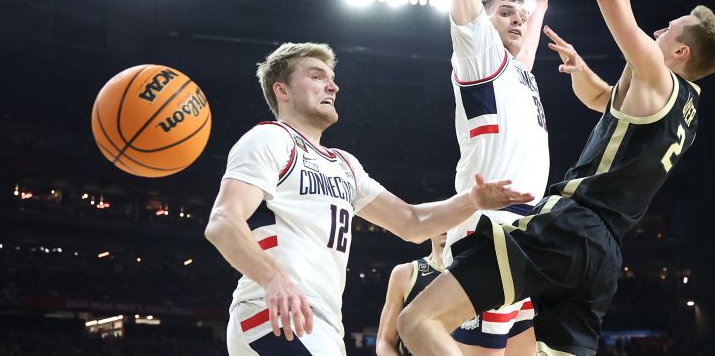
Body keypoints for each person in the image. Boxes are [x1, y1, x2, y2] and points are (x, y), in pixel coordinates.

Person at [398, 0, 715, 356]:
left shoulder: (656, 73)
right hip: (604, 256)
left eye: (668, 31)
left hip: (569, 226)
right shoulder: (685, 109)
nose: (656, 31)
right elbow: (602, 100)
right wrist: (581, 67)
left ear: (681, 54)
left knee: (418, 320)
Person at [204, 42, 533, 356]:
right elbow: (222, 222)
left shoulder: (345, 164)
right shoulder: (271, 139)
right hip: (275, 312)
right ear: (282, 90)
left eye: (332, 79)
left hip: (324, 322)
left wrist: (472, 200)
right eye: (317, 76)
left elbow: (412, 223)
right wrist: (272, 277)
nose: (332, 87)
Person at [439, 0, 558, 354]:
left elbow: (529, 40)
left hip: (529, 224)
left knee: (525, 349)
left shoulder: (519, 72)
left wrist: (540, 5)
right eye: (502, 14)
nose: (515, 21)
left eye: (519, 15)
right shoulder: (479, 52)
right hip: (490, 221)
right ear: (480, 26)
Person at [375, 232, 447, 356]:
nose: (447, 225)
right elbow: (384, 341)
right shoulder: (405, 274)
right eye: (443, 217)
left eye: (453, 219)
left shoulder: (477, 276)